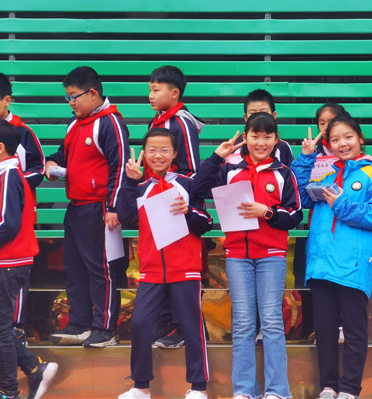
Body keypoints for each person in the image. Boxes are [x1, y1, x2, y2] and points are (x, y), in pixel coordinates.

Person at [194, 112, 303, 399]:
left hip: (271, 255)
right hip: (237, 256)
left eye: (268, 136)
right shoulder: (229, 169)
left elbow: (295, 215)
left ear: (276, 140)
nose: (261, 142)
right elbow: (198, 189)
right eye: (255, 136)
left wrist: (267, 212)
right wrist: (216, 157)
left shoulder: (284, 173)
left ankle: (278, 391)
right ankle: (244, 391)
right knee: (242, 323)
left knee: (271, 322)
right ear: (245, 137)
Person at [291, 114, 372, 399]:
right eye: (335, 139)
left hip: (352, 266)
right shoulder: (326, 174)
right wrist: (305, 158)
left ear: (360, 138)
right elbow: (299, 197)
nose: (342, 144)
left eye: (348, 137)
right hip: (321, 265)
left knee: (354, 329)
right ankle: (328, 386)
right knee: (324, 330)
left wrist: (342, 205)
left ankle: (349, 388)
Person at [117, 127, 212, 399]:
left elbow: (206, 222)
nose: (158, 155)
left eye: (164, 150)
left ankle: (198, 387)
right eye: (152, 150)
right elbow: (126, 218)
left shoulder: (188, 184)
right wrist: (129, 182)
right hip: (151, 269)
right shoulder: (139, 187)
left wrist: (188, 212)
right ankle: (141, 387)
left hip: (185, 267)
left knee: (191, 326)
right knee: (140, 323)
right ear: (144, 154)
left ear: (175, 154)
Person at [0, 120, 58, 399]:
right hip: (5, 262)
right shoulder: (3, 176)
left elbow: (8, 225)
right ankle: (33, 368)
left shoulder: (7, 177)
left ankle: (8, 391)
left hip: (9, 262)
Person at [45, 66, 129, 348]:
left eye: (74, 96)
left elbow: (120, 167)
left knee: (100, 269)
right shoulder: (75, 124)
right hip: (76, 207)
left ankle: (105, 328)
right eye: (67, 97)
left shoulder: (110, 123)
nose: (71, 103)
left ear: (93, 93)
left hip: (100, 209)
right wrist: (52, 163)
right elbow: (63, 153)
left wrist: (114, 207)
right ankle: (79, 323)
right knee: (74, 267)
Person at [0, 70, 46, 348]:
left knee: (13, 274)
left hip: (14, 216)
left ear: (6, 100)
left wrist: (12, 187)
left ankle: (14, 332)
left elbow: (38, 169)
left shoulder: (23, 132)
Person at [145, 65, 206, 348]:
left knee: (180, 270)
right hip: (156, 201)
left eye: (156, 90)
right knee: (161, 265)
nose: (151, 95)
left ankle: (183, 329)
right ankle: (167, 325)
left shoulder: (181, 122)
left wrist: (184, 203)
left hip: (176, 204)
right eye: (150, 89)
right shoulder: (157, 120)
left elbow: (191, 169)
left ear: (175, 93)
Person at [227, 89, 294, 166]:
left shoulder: (283, 147)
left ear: (274, 115)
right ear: (245, 118)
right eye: (253, 114)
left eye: (264, 113)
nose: (259, 117)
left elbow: (290, 172)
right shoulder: (234, 147)